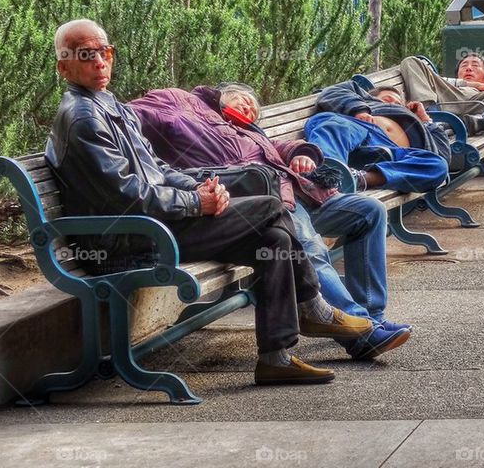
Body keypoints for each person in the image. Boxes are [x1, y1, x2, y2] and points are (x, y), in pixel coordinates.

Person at [45, 20, 374, 387]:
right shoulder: (83, 119)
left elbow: (160, 169)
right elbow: (127, 197)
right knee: (269, 206)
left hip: (153, 225)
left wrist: (203, 188)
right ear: (64, 67)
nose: (100, 63)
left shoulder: (110, 107)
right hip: (125, 240)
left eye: (105, 53)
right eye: (87, 56)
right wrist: (194, 203)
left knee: (274, 242)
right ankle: (312, 306)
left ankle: (275, 358)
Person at [129, 84, 412, 360]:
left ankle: (370, 318)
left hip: (303, 194)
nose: (249, 107)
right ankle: (360, 335)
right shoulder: (184, 102)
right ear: (222, 94)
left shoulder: (245, 130)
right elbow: (130, 115)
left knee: (369, 210)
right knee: (310, 247)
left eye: (253, 108)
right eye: (244, 99)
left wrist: (302, 153)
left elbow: (281, 145)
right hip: (260, 200)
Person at [308, 81, 450, 193]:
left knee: (438, 165)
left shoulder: (418, 125)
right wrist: (359, 110)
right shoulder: (366, 102)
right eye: (387, 99)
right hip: (361, 130)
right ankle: (326, 179)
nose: (393, 104)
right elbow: (332, 91)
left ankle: (357, 179)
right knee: (335, 125)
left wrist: (425, 120)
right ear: (371, 98)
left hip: (392, 156)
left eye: (398, 104)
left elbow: (444, 155)